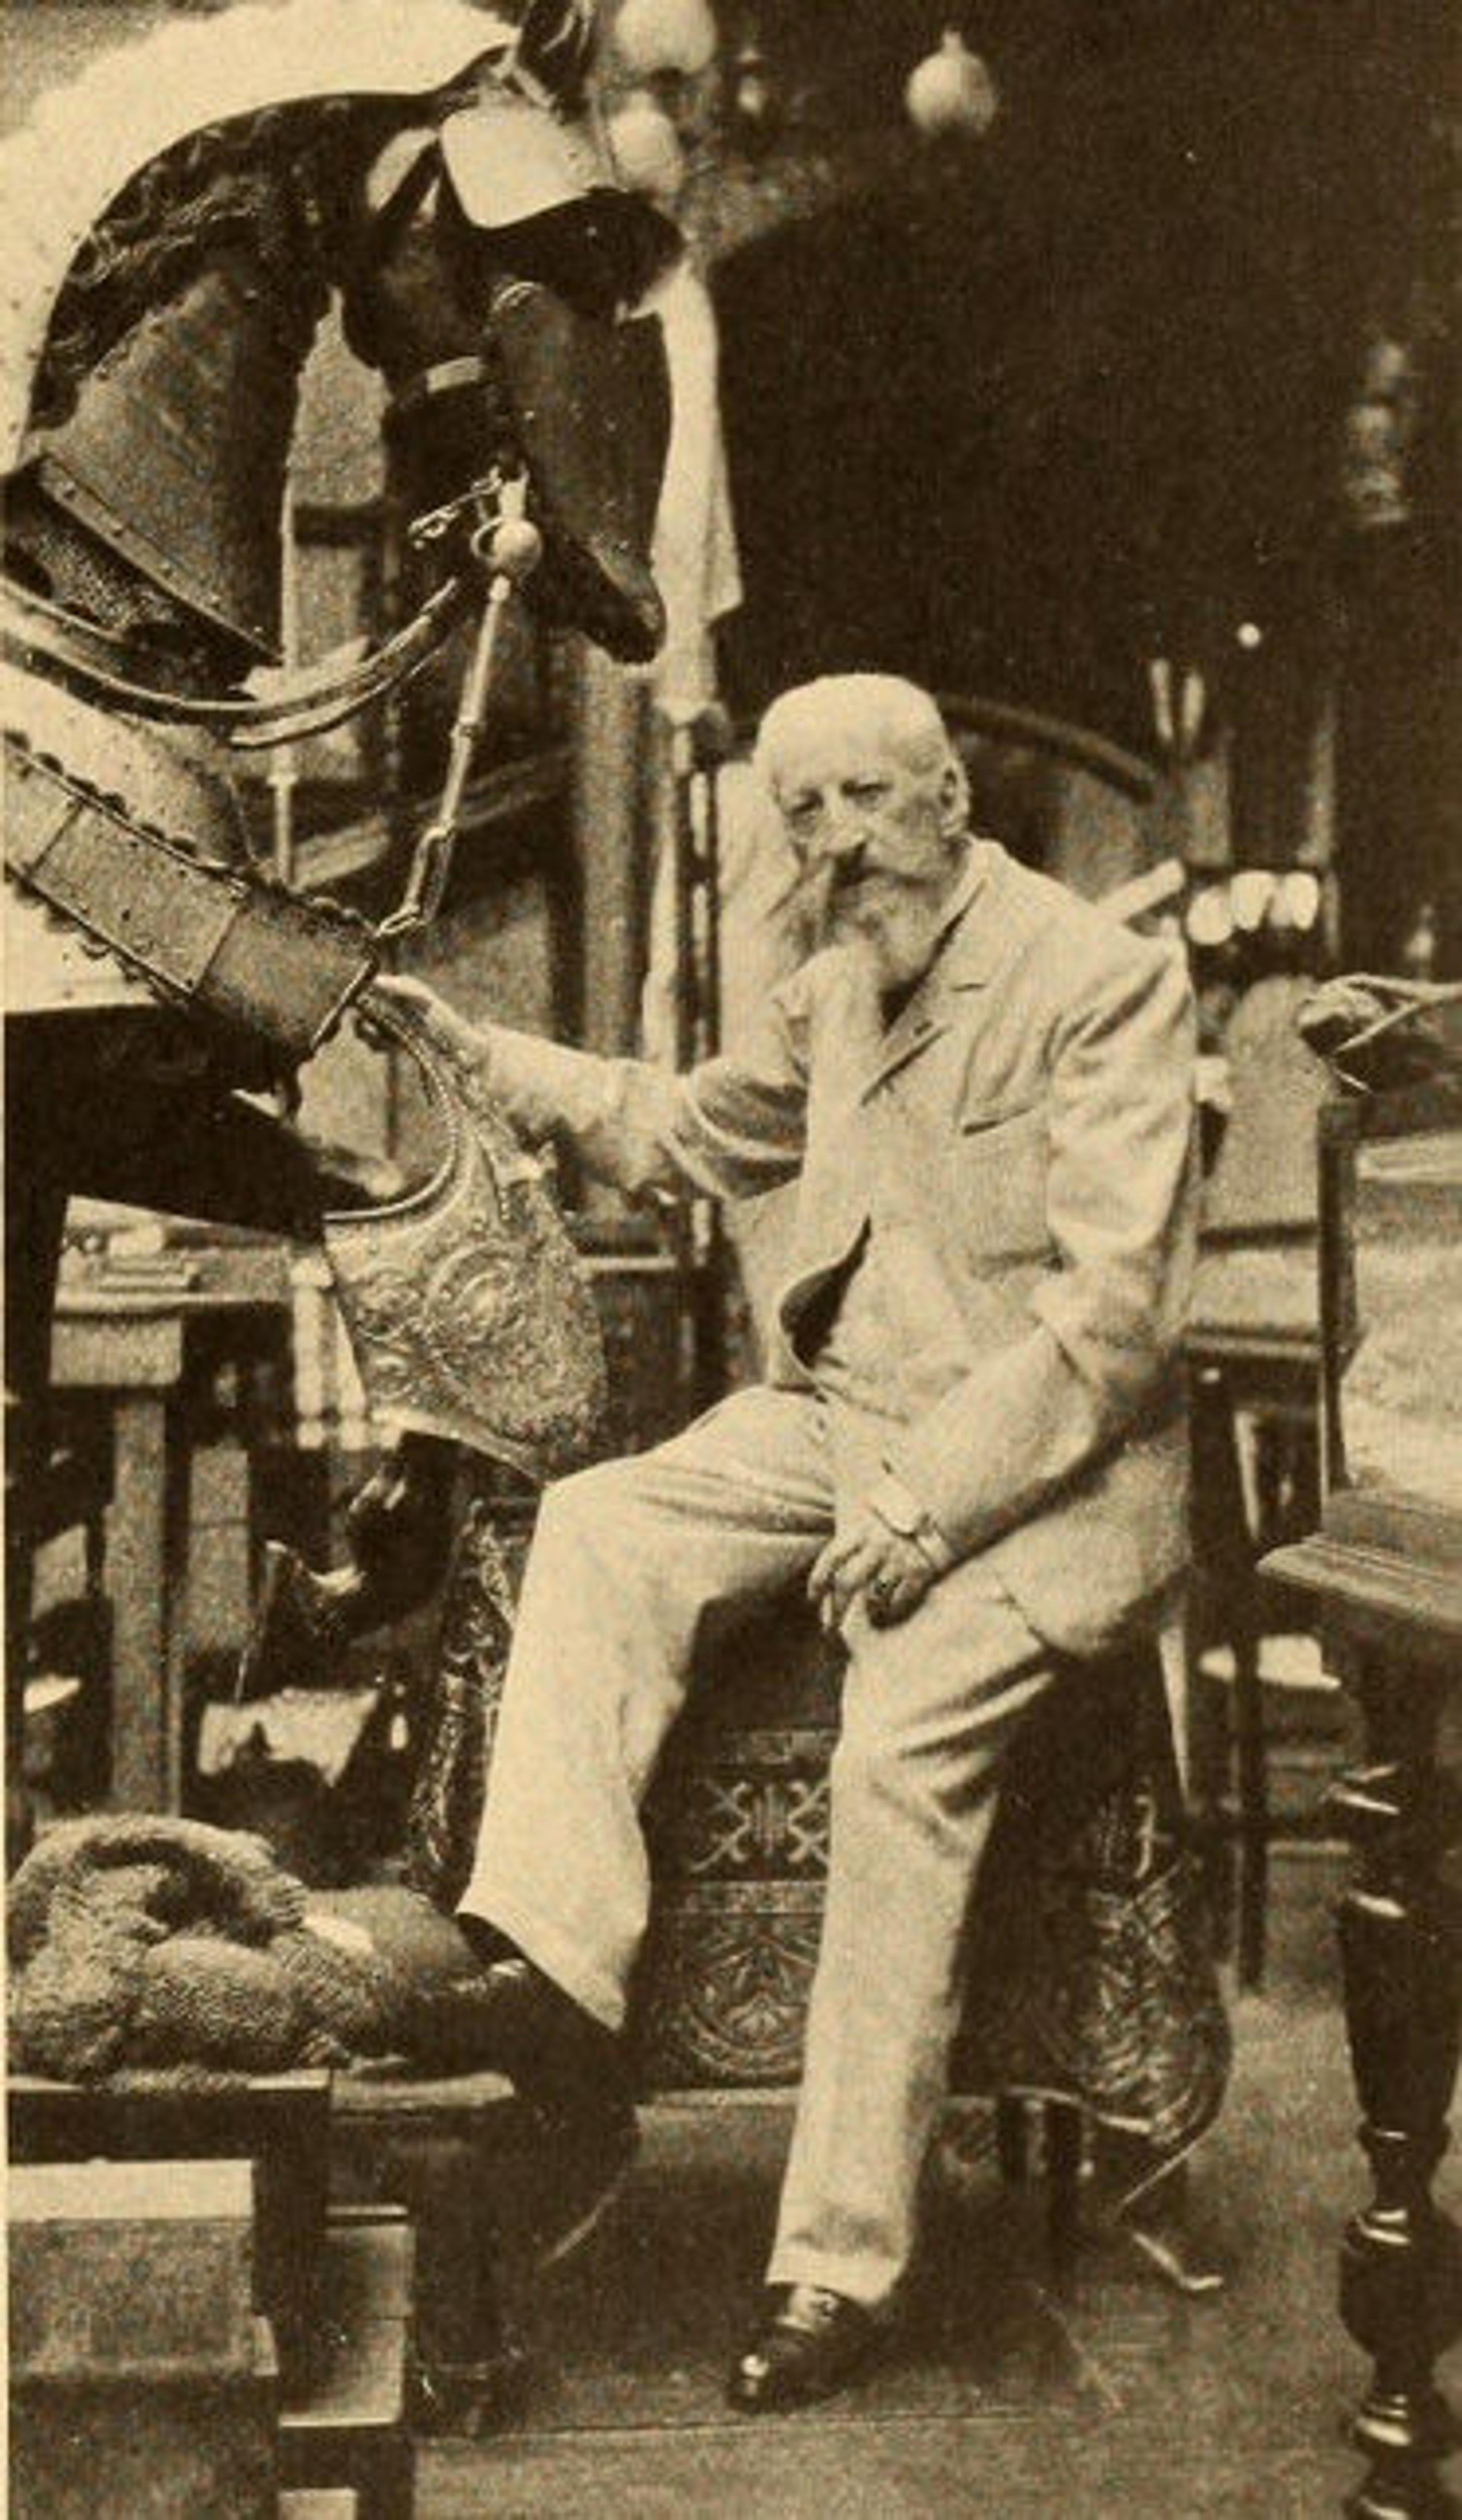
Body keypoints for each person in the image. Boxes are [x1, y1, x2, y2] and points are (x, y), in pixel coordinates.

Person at [382, 673, 1198, 2411]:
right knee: (603, 1522)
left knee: (894, 1746)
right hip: (844, 1423)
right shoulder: (837, 987)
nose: (835, 845)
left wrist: (925, 1508)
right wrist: (483, 1055)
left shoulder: (1097, 978)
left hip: (1041, 1473)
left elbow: (1118, 1323)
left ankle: (839, 2261)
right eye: (801, 814)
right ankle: (553, 1970)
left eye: (864, 802)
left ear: (951, 796)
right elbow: (684, 1128)